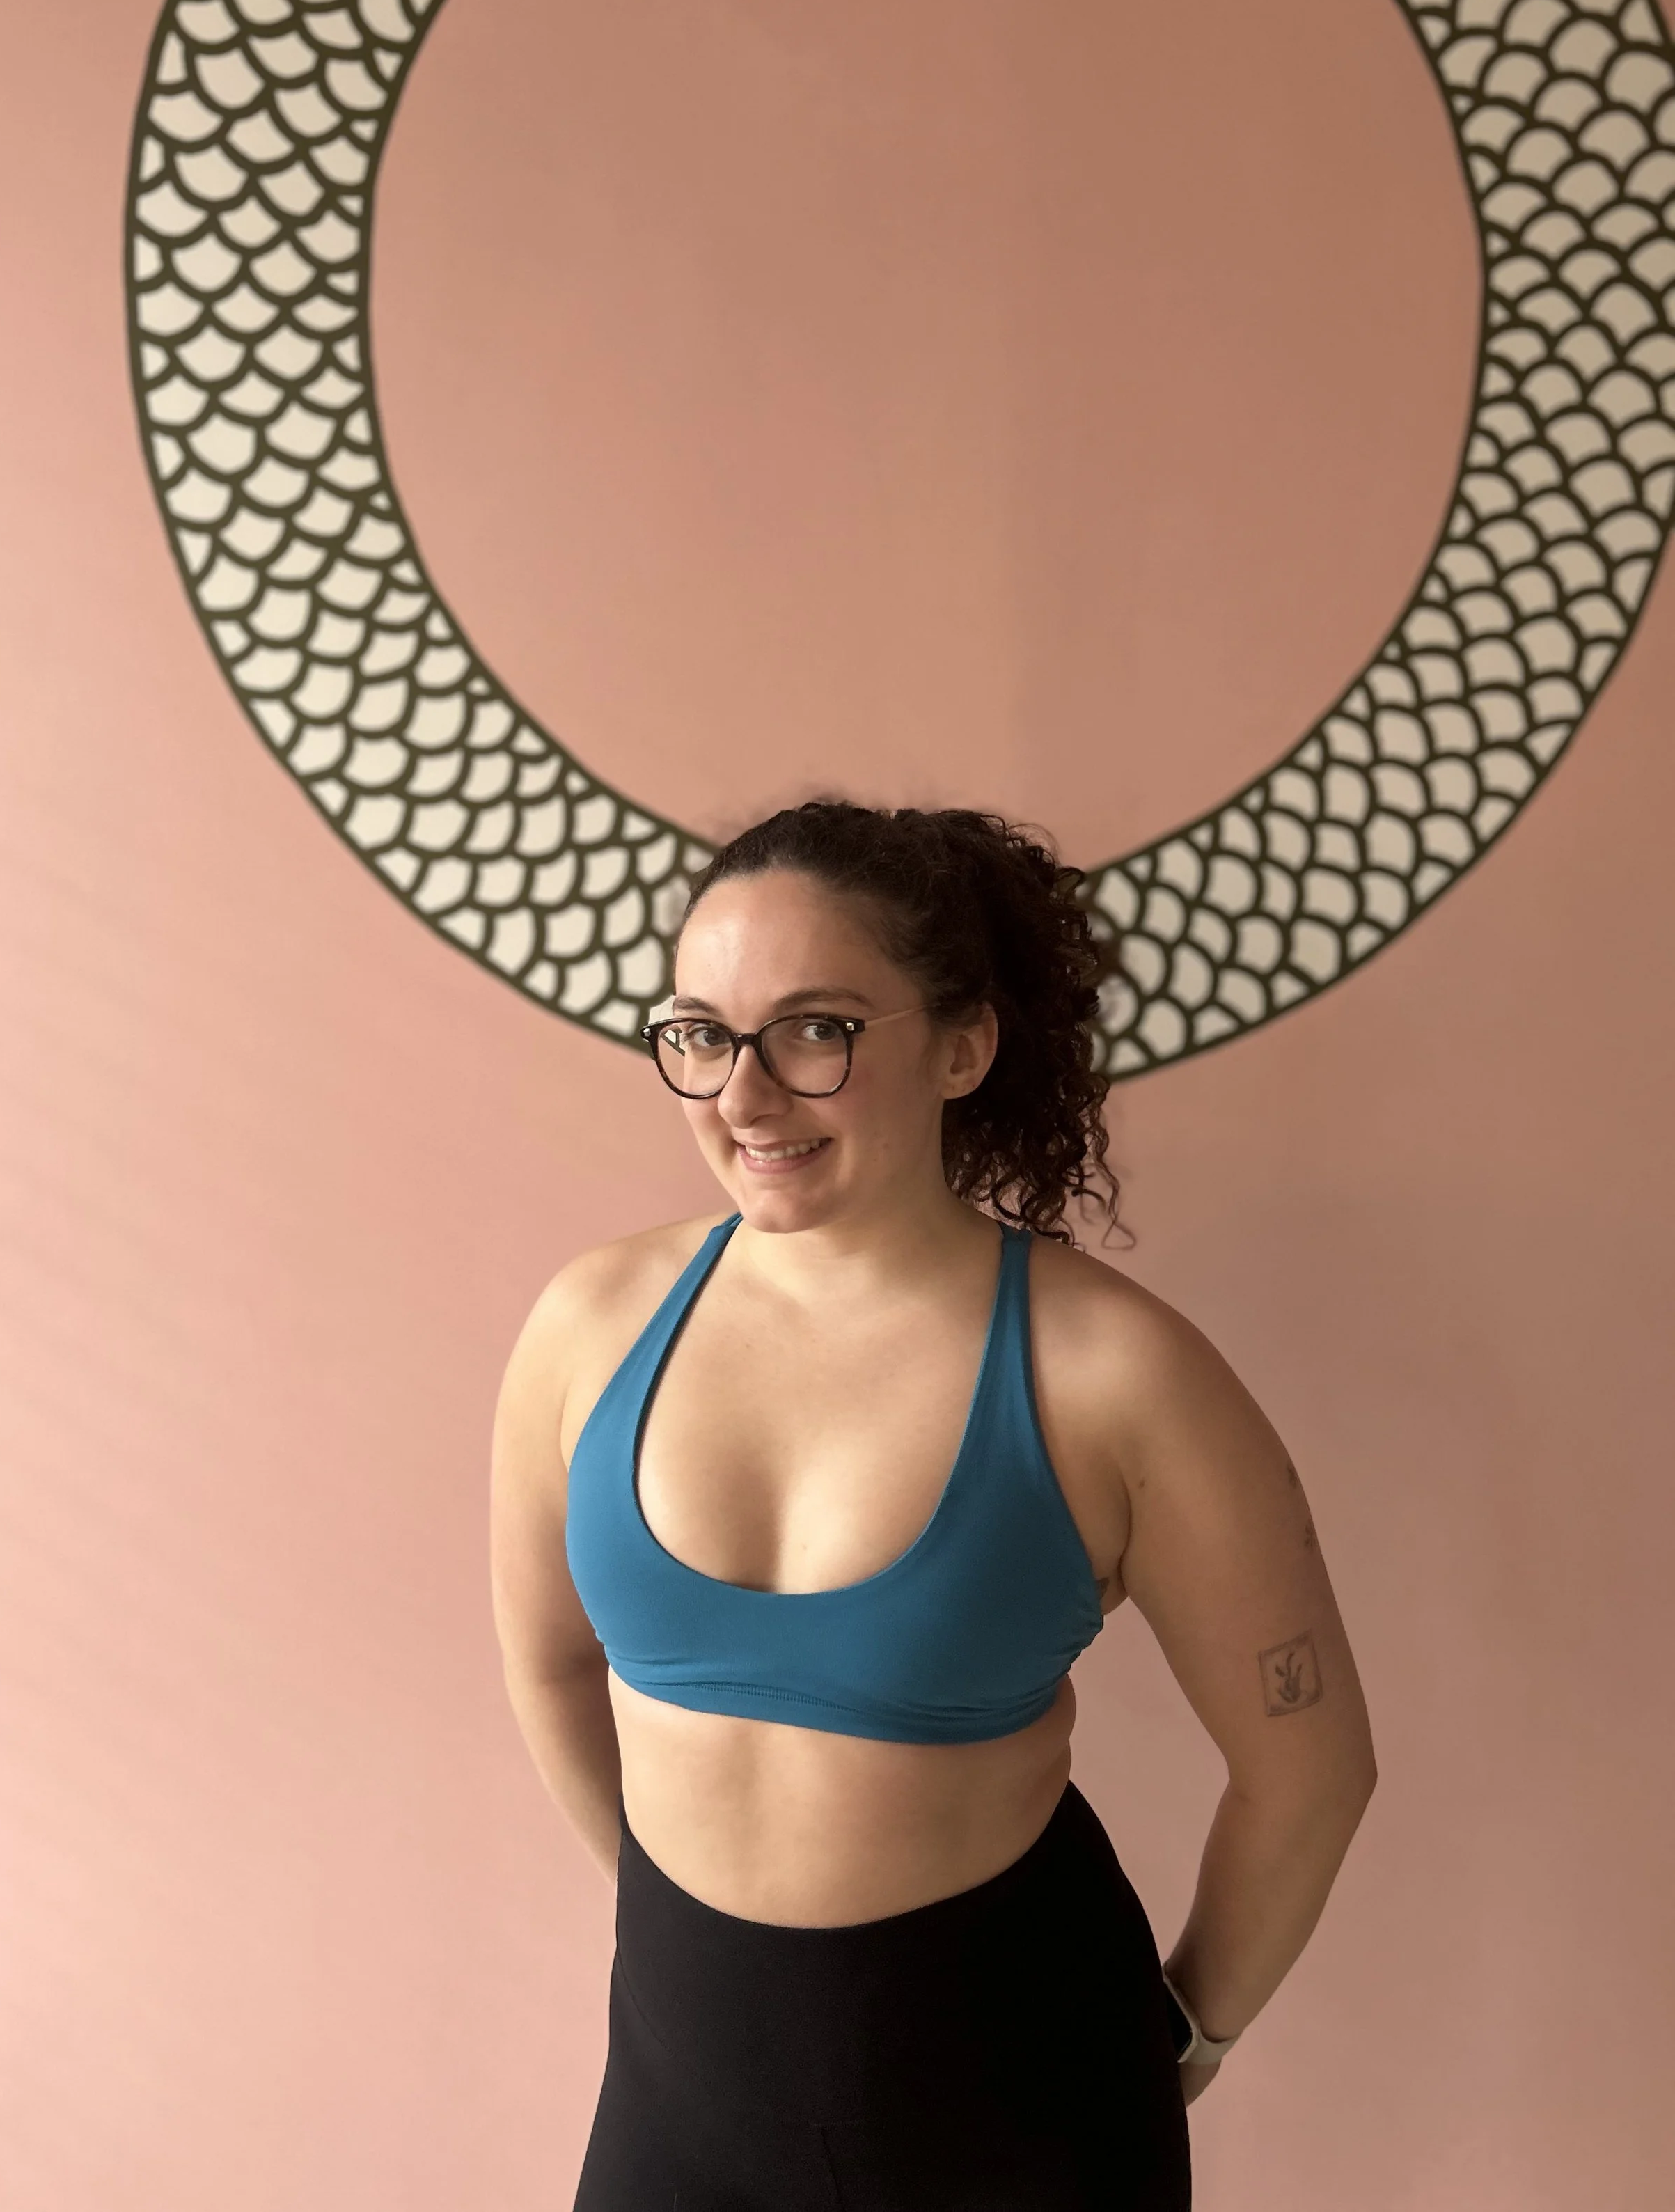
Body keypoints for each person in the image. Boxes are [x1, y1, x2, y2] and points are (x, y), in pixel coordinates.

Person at [490, 800, 1376, 2211]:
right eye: (701, 1033)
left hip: (1016, 2103)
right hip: (679, 2093)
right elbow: (546, 1656)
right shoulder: (589, 1324)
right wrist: (694, 1931)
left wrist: (1186, 2032)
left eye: (814, 1029)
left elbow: (1308, 1763)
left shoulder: (1113, 1375)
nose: (743, 1096)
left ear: (961, 1045)